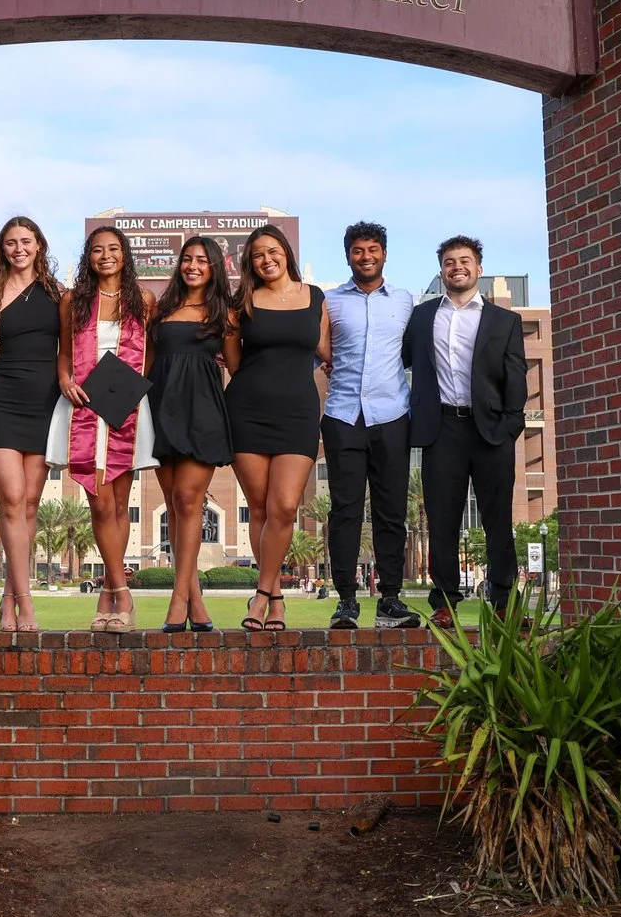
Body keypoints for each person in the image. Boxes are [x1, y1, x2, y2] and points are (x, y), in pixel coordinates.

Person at [402, 236, 528, 622]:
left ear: (478, 269)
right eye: (449, 262)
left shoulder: (505, 321)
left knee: (497, 520)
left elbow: (516, 377)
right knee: (442, 520)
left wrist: (511, 425)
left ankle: (504, 603)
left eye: (465, 260)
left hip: (491, 431)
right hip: (441, 430)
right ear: (442, 270)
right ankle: (444, 603)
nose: (457, 267)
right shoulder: (422, 317)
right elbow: (399, 358)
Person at [50, 224, 154, 634]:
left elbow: (151, 353)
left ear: (124, 255)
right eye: (97, 249)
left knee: (120, 503)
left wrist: (131, 391)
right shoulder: (73, 300)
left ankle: (108, 594)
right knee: (100, 503)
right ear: (88, 257)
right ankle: (121, 592)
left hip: (126, 405)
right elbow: (64, 352)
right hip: (84, 404)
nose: (105, 256)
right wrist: (64, 380)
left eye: (113, 249)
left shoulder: (143, 300)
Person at [0, 217, 66, 633]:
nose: (19, 248)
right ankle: (26, 602)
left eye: (26, 241)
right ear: (2, 249)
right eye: (11, 242)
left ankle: (9, 597)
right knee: (12, 498)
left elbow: (72, 350)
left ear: (39, 245)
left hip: (45, 405)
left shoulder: (58, 295)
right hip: (0, 403)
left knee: (29, 506)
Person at [224, 223, 326, 633]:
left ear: (286, 253)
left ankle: (261, 595)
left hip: (298, 413)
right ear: (250, 264)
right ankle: (275, 598)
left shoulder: (314, 298)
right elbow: (234, 364)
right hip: (247, 411)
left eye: (272, 251)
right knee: (260, 508)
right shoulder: (241, 302)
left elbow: (326, 350)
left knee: (284, 506)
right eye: (257, 256)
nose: (266, 260)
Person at [322, 221, 421, 631]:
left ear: (384, 254)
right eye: (358, 250)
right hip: (343, 416)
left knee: (391, 511)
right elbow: (319, 349)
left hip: (392, 416)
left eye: (373, 249)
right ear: (348, 255)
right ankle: (346, 600)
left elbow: (413, 352)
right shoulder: (329, 301)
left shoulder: (404, 301)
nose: (366, 256)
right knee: (344, 511)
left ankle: (390, 600)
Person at [148, 235, 235, 633]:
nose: (193, 266)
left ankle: (177, 598)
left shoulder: (226, 313)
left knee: (188, 499)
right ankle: (196, 602)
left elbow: (236, 368)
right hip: (161, 409)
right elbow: (147, 360)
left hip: (203, 413)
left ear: (214, 267)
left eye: (202, 260)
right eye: (187, 259)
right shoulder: (161, 309)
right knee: (173, 505)